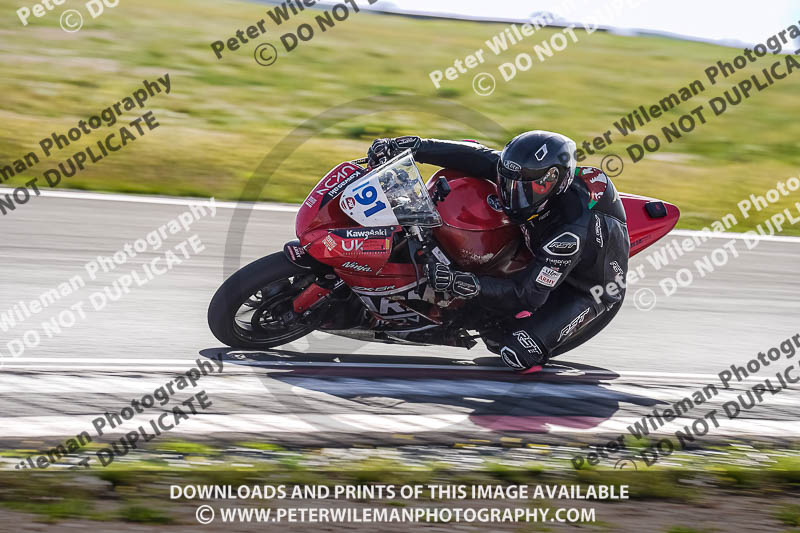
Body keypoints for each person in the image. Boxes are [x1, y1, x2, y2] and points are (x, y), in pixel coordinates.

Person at [367, 131, 630, 372]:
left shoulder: (568, 235)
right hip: (540, 243)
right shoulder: (534, 178)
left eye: (526, 188)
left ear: (555, 182)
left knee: (514, 351)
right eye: (508, 182)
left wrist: (463, 283)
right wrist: (416, 147)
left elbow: (526, 294)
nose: (512, 195)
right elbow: (477, 156)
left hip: (587, 289)